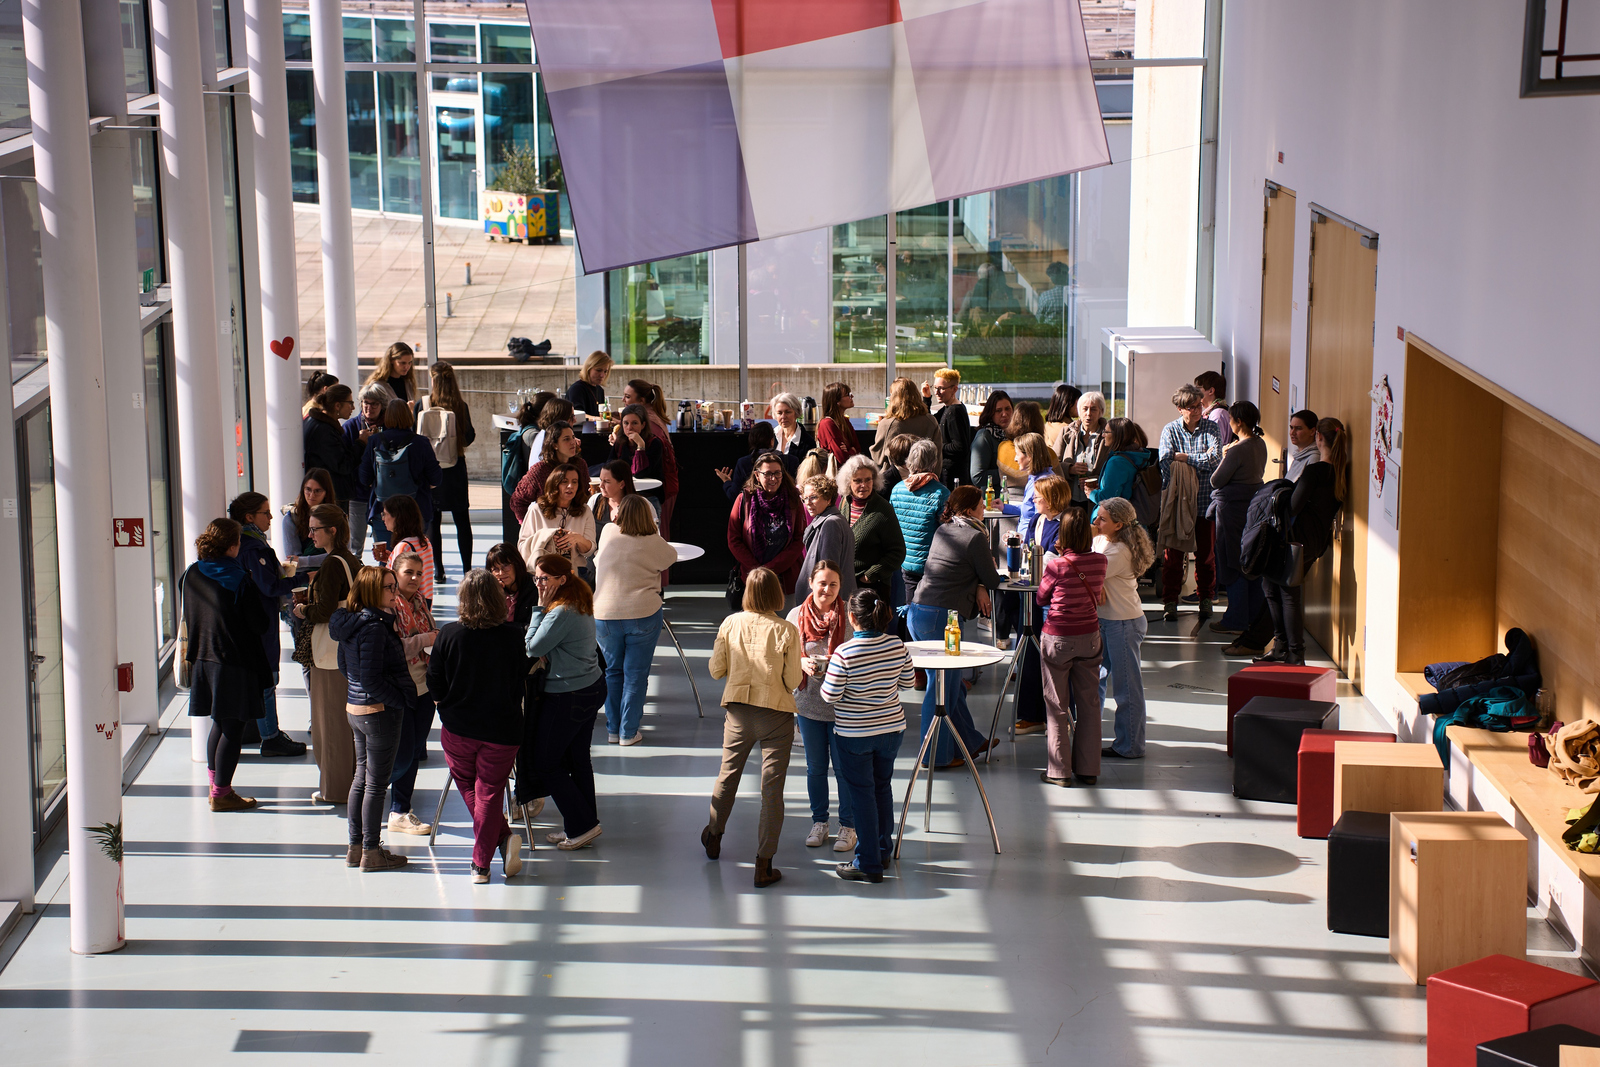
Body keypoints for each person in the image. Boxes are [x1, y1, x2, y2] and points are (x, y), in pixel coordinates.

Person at [427, 569, 531, 883]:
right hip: (503, 731)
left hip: (458, 729)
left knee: (471, 788)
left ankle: (485, 860)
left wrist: (442, 703)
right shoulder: (515, 635)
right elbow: (521, 679)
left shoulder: (448, 634)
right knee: (488, 793)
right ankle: (486, 858)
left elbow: (434, 680)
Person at [703, 566, 803, 888]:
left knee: (727, 775)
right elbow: (793, 681)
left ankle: (714, 834)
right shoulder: (787, 630)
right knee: (771, 791)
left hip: (739, 715)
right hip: (776, 717)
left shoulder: (730, 623)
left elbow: (716, 670)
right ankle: (764, 864)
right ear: (776, 594)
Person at [819, 587, 914, 883]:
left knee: (861, 795)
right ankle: (883, 850)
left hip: (855, 734)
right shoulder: (897, 645)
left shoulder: (844, 653)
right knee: (882, 789)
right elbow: (909, 683)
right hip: (891, 730)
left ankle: (868, 863)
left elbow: (829, 696)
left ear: (851, 618)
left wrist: (822, 677)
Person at [328, 565, 415, 871]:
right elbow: (370, 679)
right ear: (372, 592)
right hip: (377, 712)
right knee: (376, 785)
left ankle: (356, 848)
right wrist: (400, 700)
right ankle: (371, 852)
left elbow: (345, 665)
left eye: (394, 586)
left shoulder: (353, 623)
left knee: (362, 779)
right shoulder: (375, 627)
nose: (395, 592)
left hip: (356, 709)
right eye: (389, 588)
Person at [182, 518, 273, 812]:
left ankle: (215, 785)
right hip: (234, 662)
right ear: (233, 545)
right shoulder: (238, 579)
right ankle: (222, 793)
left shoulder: (192, 573)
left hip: (203, 659)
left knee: (218, 722)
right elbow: (259, 623)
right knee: (233, 727)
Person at [909, 486, 1001, 767]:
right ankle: (934, 756)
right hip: (942, 619)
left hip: (919, 612)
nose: (984, 510)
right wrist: (983, 584)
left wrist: (978, 582)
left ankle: (970, 742)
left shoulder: (944, 530)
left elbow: (956, 568)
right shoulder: (974, 537)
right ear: (972, 509)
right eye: (981, 506)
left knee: (952, 686)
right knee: (941, 688)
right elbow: (993, 578)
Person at [524, 554, 608, 851]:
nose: (539, 583)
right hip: (591, 687)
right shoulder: (578, 597)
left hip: (568, 695)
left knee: (546, 762)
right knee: (577, 759)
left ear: (562, 578)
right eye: (536, 578)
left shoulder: (561, 611)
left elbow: (532, 647)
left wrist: (537, 607)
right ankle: (583, 824)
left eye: (544, 578)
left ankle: (581, 824)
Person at [1256, 417, 1347, 666]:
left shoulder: (1316, 470)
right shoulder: (1340, 472)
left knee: (1285, 592)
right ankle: (1283, 647)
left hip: (1297, 540)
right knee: (1274, 587)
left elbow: (1294, 504)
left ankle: (1293, 652)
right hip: (1316, 541)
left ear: (1318, 438)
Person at [227, 492, 309, 757]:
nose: (271, 517)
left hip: (253, 621)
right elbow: (269, 586)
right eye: (266, 512)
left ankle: (264, 731)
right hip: (259, 623)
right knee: (266, 679)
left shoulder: (246, 543)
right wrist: (302, 579)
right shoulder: (253, 548)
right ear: (249, 517)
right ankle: (271, 737)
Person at [592, 495, 677, 745]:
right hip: (642, 613)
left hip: (604, 614)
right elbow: (670, 558)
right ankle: (629, 732)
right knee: (635, 674)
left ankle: (612, 729)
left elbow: (597, 561)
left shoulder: (607, 531)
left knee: (612, 672)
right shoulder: (653, 541)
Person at [786, 559, 857, 854]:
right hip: (808, 705)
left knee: (843, 769)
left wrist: (837, 667)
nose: (827, 589)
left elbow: (857, 657)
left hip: (841, 707)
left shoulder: (849, 618)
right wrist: (800, 662)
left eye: (833, 584)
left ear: (840, 587)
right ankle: (820, 822)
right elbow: (783, 657)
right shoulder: (794, 616)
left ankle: (848, 826)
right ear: (812, 584)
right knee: (815, 769)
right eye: (822, 583)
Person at [291, 503, 359, 804]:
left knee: (329, 724)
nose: (310, 534)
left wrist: (303, 609)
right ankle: (350, 785)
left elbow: (325, 610)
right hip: (348, 650)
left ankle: (335, 789)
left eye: (315, 529)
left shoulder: (333, 563)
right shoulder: (349, 559)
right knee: (345, 726)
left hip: (330, 653)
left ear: (331, 530)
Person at [1036, 507, 1108, 787]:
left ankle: (1059, 771)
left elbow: (1042, 597)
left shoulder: (1057, 565)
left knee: (1057, 705)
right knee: (1089, 704)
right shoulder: (1101, 561)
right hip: (1090, 635)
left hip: (1058, 637)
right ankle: (1089, 770)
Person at [1092, 497, 1155, 760]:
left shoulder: (1119, 552)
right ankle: (1091, 736)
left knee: (1127, 688)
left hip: (1123, 623)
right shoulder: (1103, 541)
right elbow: (1091, 572)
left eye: (1103, 519)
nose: (1096, 522)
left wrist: (1095, 584)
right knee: (1096, 680)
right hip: (1107, 621)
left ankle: (1131, 745)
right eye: (1097, 516)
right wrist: (1096, 587)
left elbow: (1085, 571)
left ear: (1118, 524)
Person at [1011, 474, 1072, 735]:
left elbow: (1060, 560)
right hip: (1033, 595)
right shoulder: (1037, 519)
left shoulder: (1066, 524)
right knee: (1030, 655)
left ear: (1052, 498)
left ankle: (1057, 717)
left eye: (1039, 495)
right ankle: (1032, 713)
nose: (1033, 498)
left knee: (1053, 659)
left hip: (1053, 600)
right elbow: (1030, 549)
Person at [1157, 384, 1222, 620]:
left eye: (1199, 405)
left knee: (1206, 556)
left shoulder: (1211, 427)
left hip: (1205, 503)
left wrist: (1185, 458)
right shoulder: (1170, 430)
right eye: (1191, 407)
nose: (1197, 411)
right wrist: (1195, 461)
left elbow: (1215, 459)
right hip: (1177, 504)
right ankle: (1170, 602)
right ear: (1179, 408)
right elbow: (1166, 463)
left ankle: (1206, 598)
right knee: (1173, 557)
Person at [385, 551, 436, 836]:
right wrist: (426, 639)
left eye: (419, 573)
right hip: (402, 689)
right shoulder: (390, 607)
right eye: (409, 573)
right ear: (395, 574)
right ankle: (380, 796)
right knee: (402, 754)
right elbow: (394, 648)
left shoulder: (419, 603)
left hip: (424, 687)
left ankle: (401, 807)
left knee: (415, 751)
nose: (415, 578)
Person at [1209, 400, 1268, 634]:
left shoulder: (1237, 449)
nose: (1229, 423)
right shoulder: (1260, 443)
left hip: (1233, 510)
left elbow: (1216, 480)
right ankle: (1252, 616)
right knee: (1250, 560)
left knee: (1232, 561)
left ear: (1239, 422)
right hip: (1252, 507)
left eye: (1231, 419)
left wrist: (1224, 455)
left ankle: (1235, 620)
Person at [358, 398, 442, 550]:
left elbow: (364, 478)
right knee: (413, 557)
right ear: (409, 417)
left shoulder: (374, 441)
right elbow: (436, 477)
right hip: (417, 509)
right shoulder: (421, 442)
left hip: (382, 510)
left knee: (386, 558)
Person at [418, 360, 476, 581]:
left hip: (431, 471)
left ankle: (438, 569)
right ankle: (467, 569)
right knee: (462, 520)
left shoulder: (423, 404)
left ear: (432, 379)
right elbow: (469, 437)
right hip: (455, 468)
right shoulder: (460, 406)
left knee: (434, 521)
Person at [727, 451, 807, 599]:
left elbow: (799, 538)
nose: (773, 478)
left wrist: (770, 569)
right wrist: (757, 570)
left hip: (785, 579)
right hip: (753, 580)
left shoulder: (793, 500)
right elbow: (734, 539)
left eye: (777, 473)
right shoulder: (744, 500)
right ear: (757, 475)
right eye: (767, 474)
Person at [838, 455, 905, 603]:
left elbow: (898, 551)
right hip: (846, 584)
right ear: (848, 482)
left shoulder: (883, 510)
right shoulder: (844, 503)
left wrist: (870, 575)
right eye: (858, 480)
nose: (864, 485)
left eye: (868, 479)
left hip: (872, 588)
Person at [890, 439, 950, 604]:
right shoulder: (940, 493)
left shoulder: (897, 490)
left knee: (910, 611)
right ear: (934, 462)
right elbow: (949, 531)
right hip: (932, 565)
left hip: (905, 562)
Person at [518, 463, 597, 581]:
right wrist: (546, 537)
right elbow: (522, 545)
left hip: (575, 573)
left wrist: (577, 538)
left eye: (574, 482)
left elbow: (590, 549)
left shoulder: (585, 510)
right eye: (564, 481)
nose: (570, 486)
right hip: (543, 573)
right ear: (555, 484)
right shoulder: (536, 510)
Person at [342, 383, 395, 557]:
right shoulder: (351, 427)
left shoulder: (390, 427)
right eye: (366, 403)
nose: (369, 408)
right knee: (354, 545)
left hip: (382, 495)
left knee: (384, 548)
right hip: (357, 494)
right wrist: (361, 443)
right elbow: (345, 461)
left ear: (382, 406)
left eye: (374, 404)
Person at [794, 475, 858, 606]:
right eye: (805, 499)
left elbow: (828, 571)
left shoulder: (831, 524)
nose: (808, 503)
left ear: (828, 499)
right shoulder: (828, 521)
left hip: (827, 602)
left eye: (813, 497)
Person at [512, 419, 584, 525]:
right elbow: (517, 500)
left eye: (573, 437)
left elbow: (585, 494)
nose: (573, 442)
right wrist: (527, 525)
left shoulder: (580, 464)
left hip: (575, 523)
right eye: (566, 439)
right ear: (555, 445)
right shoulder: (540, 470)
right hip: (546, 524)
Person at [282, 469, 335, 594]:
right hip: (303, 584)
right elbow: (294, 561)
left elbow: (342, 554)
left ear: (326, 492)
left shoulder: (337, 516)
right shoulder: (291, 518)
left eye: (318, 491)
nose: (312, 495)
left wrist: (304, 561)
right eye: (308, 490)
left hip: (332, 578)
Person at [871, 377, 944, 468]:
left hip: (894, 479)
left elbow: (878, 457)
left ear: (894, 398)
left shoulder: (887, 424)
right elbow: (937, 455)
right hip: (926, 477)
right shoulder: (931, 421)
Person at [303, 385, 356, 507]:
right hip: (330, 496)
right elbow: (343, 465)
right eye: (350, 403)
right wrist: (360, 444)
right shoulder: (324, 431)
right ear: (337, 405)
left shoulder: (314, 422)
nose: (353, 408)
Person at [378, 493, 435, 603]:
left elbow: (393, 580)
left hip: (405, 603)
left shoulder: (403, 546)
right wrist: (390, 558)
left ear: (397, 518)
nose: (383, 519)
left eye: (385, 514)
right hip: (424, 601)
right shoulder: (424, 541)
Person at [1059, 391, 1109, 504]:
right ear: (1079, 411)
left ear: (1101, 412)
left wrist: (1095, 480)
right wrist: (1070, 469)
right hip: (1068, 497)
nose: (1088, 413)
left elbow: (1113, 469)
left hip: (1096, 500)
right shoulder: (1066, 432)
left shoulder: (1108, 436)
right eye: (1085, 409)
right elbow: (1052, 464)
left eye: (1093, 409)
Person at [1090, 419, 1154, 506]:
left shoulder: (1117, 462)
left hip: (1115, 515)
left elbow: (1108, 498)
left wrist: (1091, 493)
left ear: (1117, 435)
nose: (1103, 435)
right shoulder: (1138, 455)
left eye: (1106, 432)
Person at [714, 422, 778, 502]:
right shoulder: (791, 460)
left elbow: (734, 496)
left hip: (753, 513)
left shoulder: (744, 463)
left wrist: (726, 482)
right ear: (772, 441)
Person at [591, 458, 656, 537]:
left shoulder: (642, 505)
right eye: (601, 480)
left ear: (622, 484)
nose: (601, 485)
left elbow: (653, 535)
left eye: (607, 481)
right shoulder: (595, 501)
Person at [610, 404, 665, 495]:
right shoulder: (620, 442)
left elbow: (639, 473)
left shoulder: (655, 443)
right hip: (625, 493)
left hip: (648, 495)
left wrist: (640, 446)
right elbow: (610, 466)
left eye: (634, 423)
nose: (629, 427)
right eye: (626, 423)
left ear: (643, 425)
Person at [997, 401, 1054, 491]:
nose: (1016, 459)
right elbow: (1059, 480)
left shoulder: (1003, 447)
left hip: (1007, 496)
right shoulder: (1045, 452)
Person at [931, 368, 973, 487]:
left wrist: (937, 446)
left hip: (952, 476)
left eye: (941, 388)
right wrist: (926, 399)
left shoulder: (954, 412)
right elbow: (931, 419)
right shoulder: (948, 408)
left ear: (954, 389)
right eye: (935, 387)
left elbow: (959, 447)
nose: (937, 392)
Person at [969, 390, 1014, 494]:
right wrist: (1009, 473)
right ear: (990, 413)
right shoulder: (984, 436)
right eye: (998, 410)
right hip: (993, 500)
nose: (1004, 414)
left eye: (1008, 409)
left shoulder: (1016, 433)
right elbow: (977, 477)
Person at [486, 542, 536, 631]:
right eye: (495, 569)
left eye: (505, 566)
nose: (501, 573)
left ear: (516, 564)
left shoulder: (534, 587)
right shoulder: (491, 591)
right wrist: (497, 595)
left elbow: (533, 627)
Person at [816, 381, 861, 468]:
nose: (852, 396)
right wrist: (851, 450)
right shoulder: (827, 424)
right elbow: (842, 457)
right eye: (848, 394)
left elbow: (858, 448)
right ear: (837, 401)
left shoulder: (844, 420)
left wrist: (848, 451)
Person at [769, 392, 814, 474]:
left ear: (796, 413)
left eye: (787, 412)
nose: (783, 416)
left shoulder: (807, 442)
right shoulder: (770, 436)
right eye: (779, 413)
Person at [566, 350, 612, 419]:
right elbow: (577, 415)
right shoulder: (577, 389)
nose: (602, 375)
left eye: (605, 371)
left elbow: (600, 415)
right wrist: (598, 419)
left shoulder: (599, 390)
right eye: (598, 370)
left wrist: (611, 416)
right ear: (588, 369)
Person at [1043, 383, 1083, 457]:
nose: (1081, 405)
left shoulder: (1047, 426)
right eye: (1079, 402)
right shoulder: (1068, 429)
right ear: (1069, 403)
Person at [1195, 370, 1233, 447]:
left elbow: (1215, 447)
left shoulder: (1217, 414)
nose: (1195, 393)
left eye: (1198, 389)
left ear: (1211, 391)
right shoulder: (1220, 411)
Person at [1286, 408, 1321, 481]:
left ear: (1312, 431)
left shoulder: (1314, 458)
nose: (1292, 433)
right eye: (1291, 428)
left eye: (1298, 428)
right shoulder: (1298, 455)